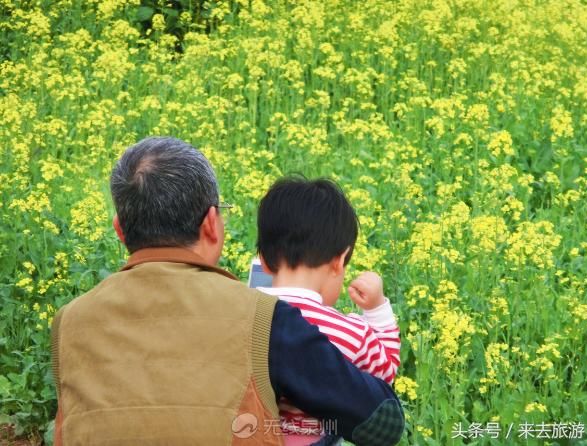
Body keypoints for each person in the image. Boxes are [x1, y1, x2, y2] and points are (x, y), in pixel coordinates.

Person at [50, 136, 405, 446]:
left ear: (120, 230)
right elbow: (381, 425)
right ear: (211, 224)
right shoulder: (260, 318)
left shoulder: (70, 321)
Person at [256, 177, 401, 445]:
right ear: (338, 262)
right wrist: (377, 310)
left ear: (263, 260)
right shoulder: (352, 334)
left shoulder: (239, 314)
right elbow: (385, 373)